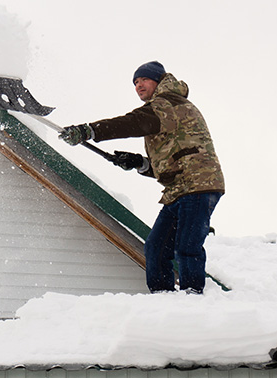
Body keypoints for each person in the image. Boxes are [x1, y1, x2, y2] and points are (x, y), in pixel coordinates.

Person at [58, 61, 225, 294]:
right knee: (156, 248)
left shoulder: (169, 103)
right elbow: (167, 164)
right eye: (135, 83)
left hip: (198, 185)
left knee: (187, 246)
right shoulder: (162, 109)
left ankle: (193, 297)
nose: (138, 86)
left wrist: (90, 131)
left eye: (143, 80)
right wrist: (139, 163)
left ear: (158, 80)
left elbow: (133, 123)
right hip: (178, 189)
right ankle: (162, 296)